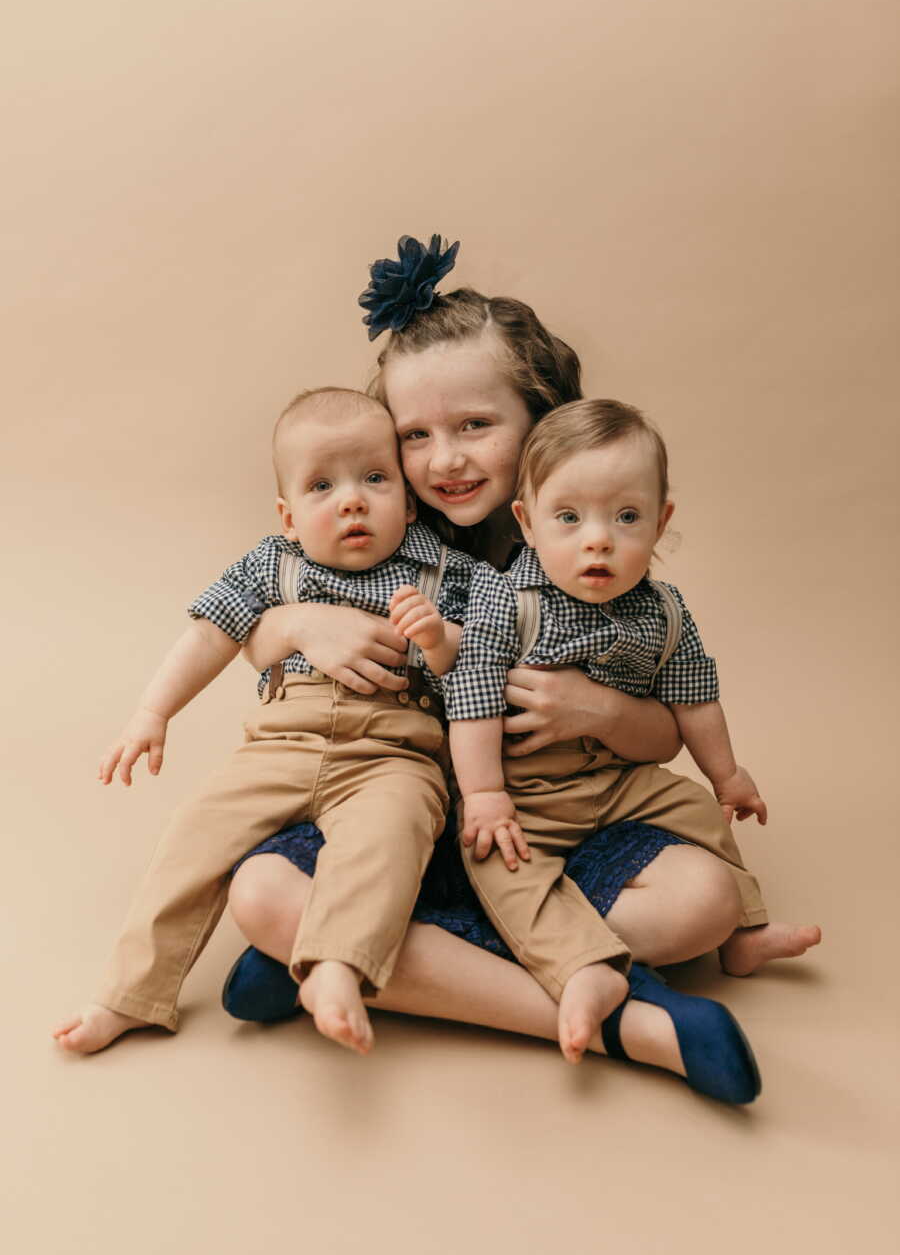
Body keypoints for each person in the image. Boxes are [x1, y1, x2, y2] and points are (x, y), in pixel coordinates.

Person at [220, 235, 820, 1099]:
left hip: (549, 828)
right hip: (397, 826)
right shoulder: (376, 538)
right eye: (415, 435)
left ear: (545, 419)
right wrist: (299, 621)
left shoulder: (590, 548)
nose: (444, 460)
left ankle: (354, 954)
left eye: (474, 426)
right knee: (262, 892)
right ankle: (632, 1025)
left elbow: (663, 733)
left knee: (704, 905)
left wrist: (600, 713)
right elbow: (248, 619)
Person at [54, 387, 479, 1055]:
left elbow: (488, 664)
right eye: (321, 486)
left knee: (388, 838)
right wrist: (152, 712)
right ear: (287, 515)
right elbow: (208, 635)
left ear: (409, 494)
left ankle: (337, 967)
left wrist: (440, 639)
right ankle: (130, 993)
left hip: (395, 755)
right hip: (280, 745)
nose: (352, 500)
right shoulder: (270, 566)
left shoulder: (450, 573)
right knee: (193, 836)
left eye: (375, 479)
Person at [445, 397, 770, 1065]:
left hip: (616, 784)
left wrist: (727, 775)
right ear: (527, 523)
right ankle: (581, 968)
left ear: (661, 523)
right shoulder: (507, 600)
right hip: (524, 796)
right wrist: (481, 794)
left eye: (626, 517)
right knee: (504, 866)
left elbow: (694, 698)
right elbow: (472, 695)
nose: (599, 540)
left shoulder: (664, 611)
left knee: (698, 810)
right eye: (569, 518)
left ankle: (742, 931)